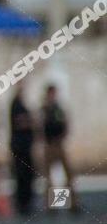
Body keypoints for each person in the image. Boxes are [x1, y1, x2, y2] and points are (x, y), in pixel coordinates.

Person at [42, 85, 79, 213]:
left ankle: (72, 204)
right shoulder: (44, 109)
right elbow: (40, 127)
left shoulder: (58, 109)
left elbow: (65, 123)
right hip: (49, 145)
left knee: (68, 175)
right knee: (49, 178)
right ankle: (52, 206)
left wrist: (63, 137)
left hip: (59, 144)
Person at [9, 80, 36, 216]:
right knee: (22, 175)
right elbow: (19, 122)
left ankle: (26, 203)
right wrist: (31, 121)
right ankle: (22, 204)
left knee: (27, 175)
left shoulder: (21, 103)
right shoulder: (16, 104)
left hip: (25, 145)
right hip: (20, 146)